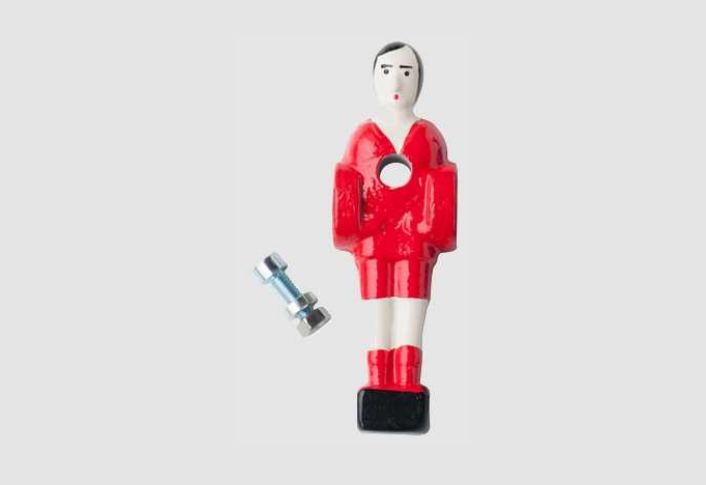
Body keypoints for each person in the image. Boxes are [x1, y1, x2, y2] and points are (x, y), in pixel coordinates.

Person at [333, 42, 457, 431]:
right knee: (378, 315)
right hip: (373, 242)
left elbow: (439, 188)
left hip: (415, 243)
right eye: (386, 71)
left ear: (419, 80)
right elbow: (349, 187)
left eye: (406, 71)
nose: (396, 82)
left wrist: (427, 230)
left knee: (411, 315)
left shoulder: (428, 135)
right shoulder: (364, 136)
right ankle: (377, 382)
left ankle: (407, 382)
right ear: (373, 78)